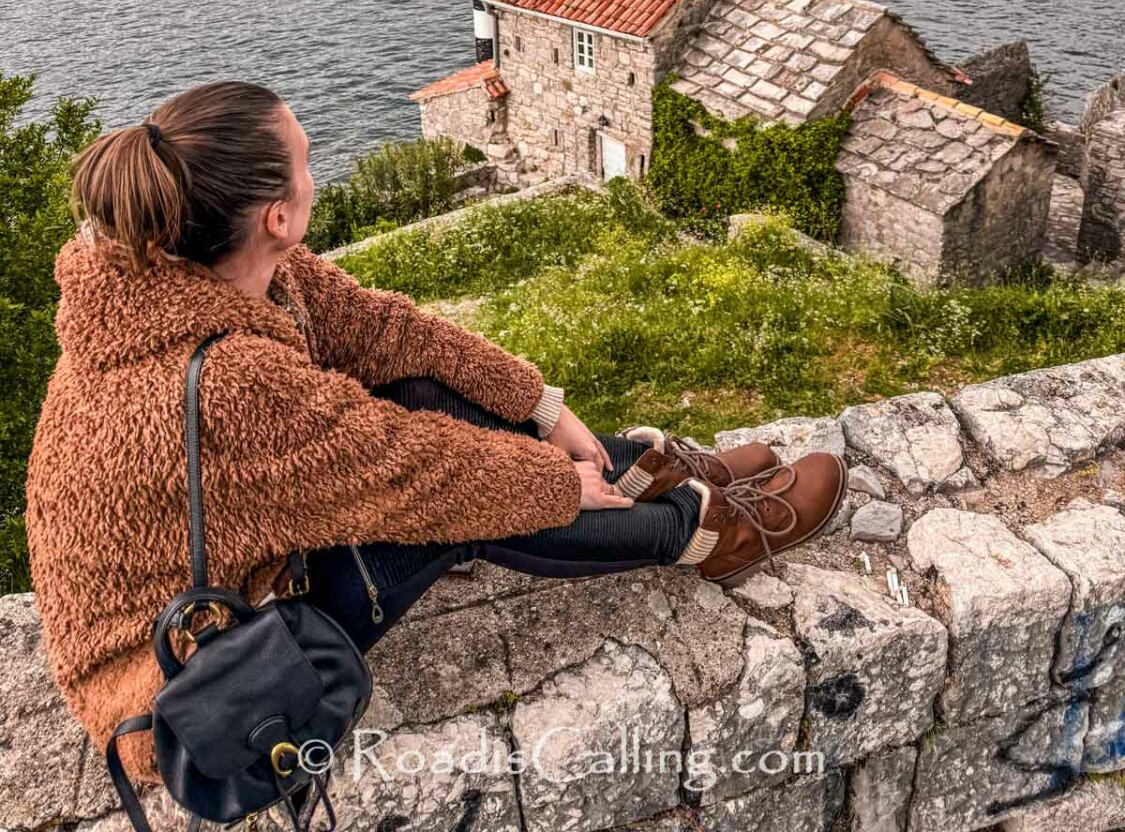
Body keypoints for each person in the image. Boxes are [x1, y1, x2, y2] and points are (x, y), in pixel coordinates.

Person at [25, 80, 846, 789]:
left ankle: (639, 470)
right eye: (308, 159)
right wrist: (555, 482)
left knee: (422, 390)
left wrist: (542, 407)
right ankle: (703, 533)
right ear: (276, 214)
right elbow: (415, 475)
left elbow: (390, 334)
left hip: (240, 568)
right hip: (186, 668)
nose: (318, 170)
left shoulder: (202, 266)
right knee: (451, 512)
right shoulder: (228, 385)